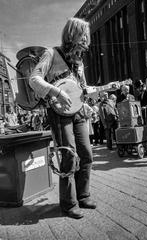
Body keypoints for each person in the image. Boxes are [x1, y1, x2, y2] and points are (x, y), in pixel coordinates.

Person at [29, 17, 96, 219]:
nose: (86, 39)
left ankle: (83, 195)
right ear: (72, 34)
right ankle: (68, 203)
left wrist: (86, 103)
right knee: (69, 156)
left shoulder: (79, 61)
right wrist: (56, 93)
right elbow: (34, 79)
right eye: (83, 34)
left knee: (86, 154)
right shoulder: (51, 53)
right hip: (58, 113)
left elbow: (80, 90)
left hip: (78, 112)